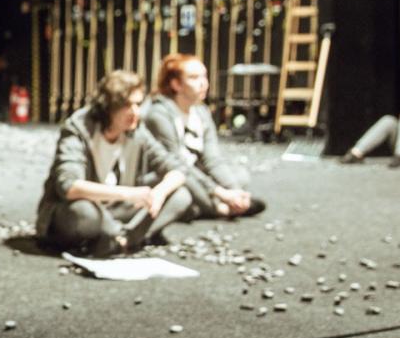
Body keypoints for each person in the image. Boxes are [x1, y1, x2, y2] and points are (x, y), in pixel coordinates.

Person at [36, 69, 189, 256]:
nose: (135, 111)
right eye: (127, 105)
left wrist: (159, 193)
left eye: (138, 104)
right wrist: (128, 194)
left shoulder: (136, 130)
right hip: (81, 209)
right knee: (84, 213)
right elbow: (69, 186)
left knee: (180, 195)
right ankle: (111, 236)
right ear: (109, 106)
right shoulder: (78, 129)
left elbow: (176, 168)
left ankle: (123, 240)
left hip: (116, 209)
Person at [144, 53, 266, 219]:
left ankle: (220, 204)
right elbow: (176, 164)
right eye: (194, 78)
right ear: (176, 84)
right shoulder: (159, 114)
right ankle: (219, 209)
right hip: (170, 174)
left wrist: (235, 191)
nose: (203, 83)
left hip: (197, 173)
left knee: (240, 175)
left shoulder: (201, 112)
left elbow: (212, 159)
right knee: (182, 189)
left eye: (204, 76)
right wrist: (220, 193)